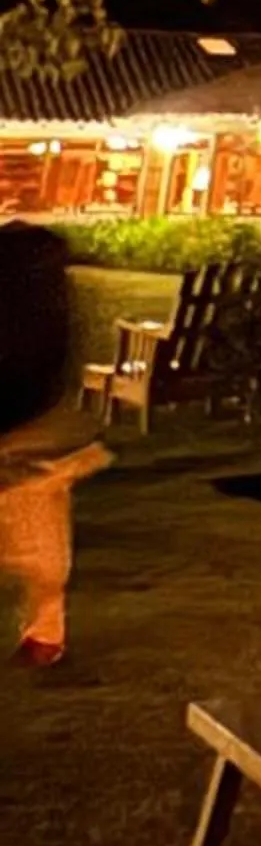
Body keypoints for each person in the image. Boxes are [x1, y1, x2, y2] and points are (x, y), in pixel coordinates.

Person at [0, 224, 108, 668]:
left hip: (28, 430)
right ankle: (44, 632)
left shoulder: (32, 310)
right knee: (40, 544)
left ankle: (44, 632)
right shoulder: (54, 307)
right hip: (38, 430)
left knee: (34, 540)